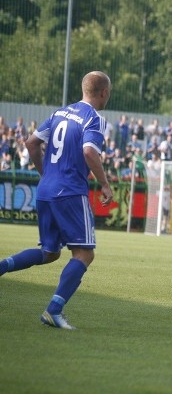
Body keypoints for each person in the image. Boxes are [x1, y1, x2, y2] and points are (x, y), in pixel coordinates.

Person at [0, 71, 114, 330]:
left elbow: (31, 143)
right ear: (103, 93)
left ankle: (2, 266)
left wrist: (45, 174)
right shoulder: (93, 118)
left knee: (49, 252)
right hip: (71, 192)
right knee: (84, 253)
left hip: (46, 190)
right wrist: (105, 184)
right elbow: (88, 152)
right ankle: (54, 310)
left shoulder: (59, 113)